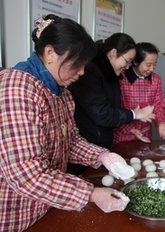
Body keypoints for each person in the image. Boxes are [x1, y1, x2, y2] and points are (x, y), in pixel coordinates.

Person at [0, 14, 134, 231]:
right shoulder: (17, 90)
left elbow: (69, 141)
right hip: (16, 213)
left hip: (46, 206)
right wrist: (90, 193)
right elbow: (26, 174)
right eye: (77, 64)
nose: (81, 72)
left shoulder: (60, 92)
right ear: (50, 53)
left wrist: (102, 156)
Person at [69, 33, 155, 150]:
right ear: (113, 53)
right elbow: (102, 114)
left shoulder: (112, 72)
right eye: (127, 61)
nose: (128, 66)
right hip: (86, 145)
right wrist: (135, 114)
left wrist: (131, 124)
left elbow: (113, 109)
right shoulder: (90, 72)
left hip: (101, 143)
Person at [113, 42, 165, 143]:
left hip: (145, 135)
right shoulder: (121, 78)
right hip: (122, 134)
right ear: (135, 62)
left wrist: (161, 122)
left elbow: (159, 105)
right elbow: (115, 108)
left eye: (155, 64)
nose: (152, 69)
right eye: (148, 65)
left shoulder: (156, 79)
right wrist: (130, 129)